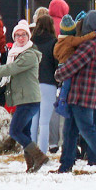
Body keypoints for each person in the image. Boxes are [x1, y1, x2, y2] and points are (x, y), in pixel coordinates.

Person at [0, 20, 48, 172]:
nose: (20, 38)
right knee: (25, 132)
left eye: (23, 35)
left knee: (15, 131)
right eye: (17, 35)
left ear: (28, 36)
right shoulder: (15, 53)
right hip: (24, 99)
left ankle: (39, 156)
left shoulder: (29, 55)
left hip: (29, 100)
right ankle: (31, 165)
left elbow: (10, 69)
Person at [52, 11, 96, 173]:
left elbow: (71, 66)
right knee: (70, 131)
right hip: (90, 93)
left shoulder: (89, 46)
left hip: (81, 95)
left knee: (87, 131)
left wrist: (58, 74)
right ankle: (66, 164)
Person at [30, 15, 60, 154]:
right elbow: (56, 65)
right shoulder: (54, 42)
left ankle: (31, 153)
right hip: (49, 84)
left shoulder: (31, 43)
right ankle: (41, 154)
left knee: (34, 121)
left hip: (33, 83)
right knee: (44, 122)